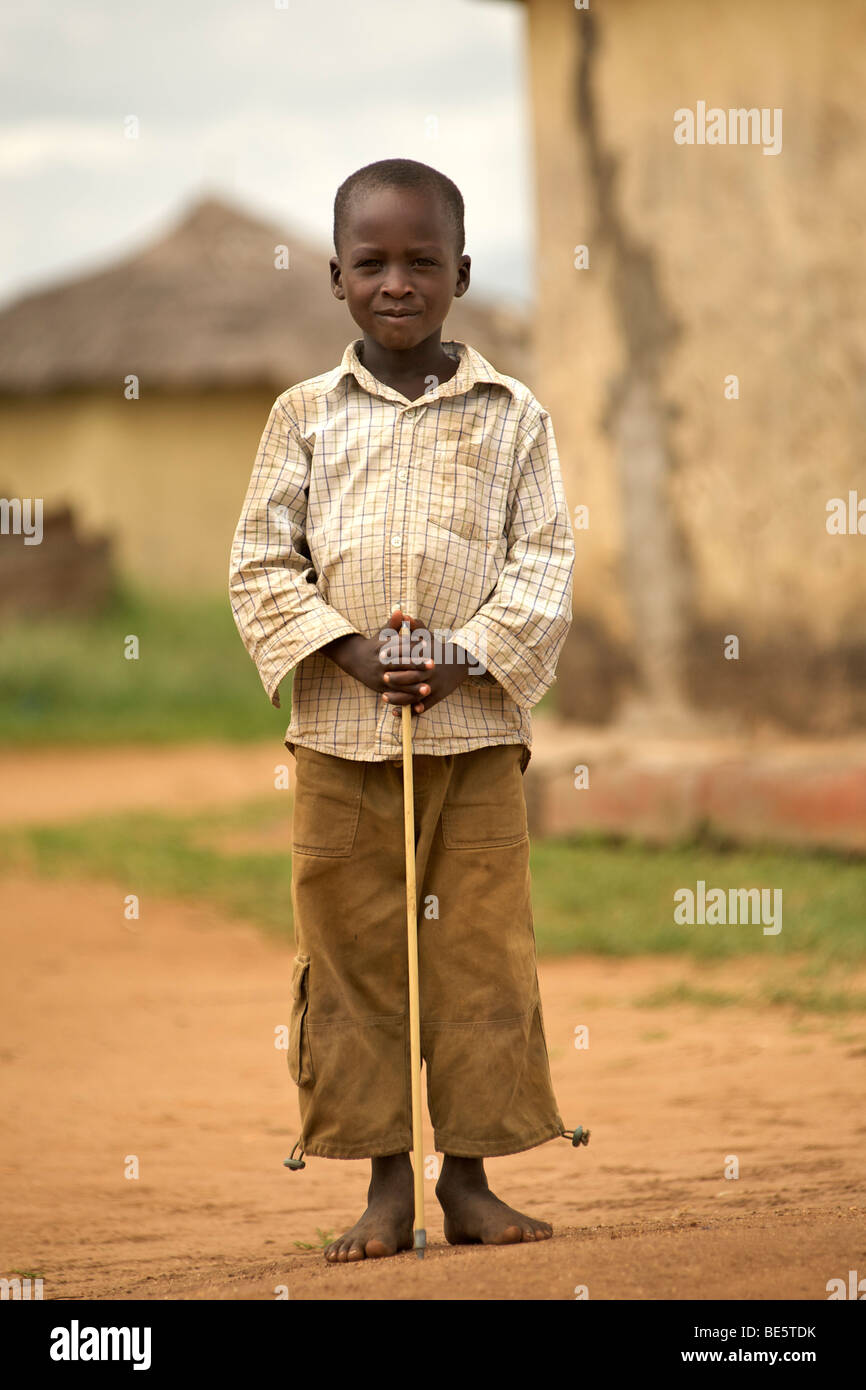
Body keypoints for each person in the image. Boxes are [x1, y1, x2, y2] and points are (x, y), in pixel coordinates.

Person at [229, 157, 576, 1262]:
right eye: (370, 262)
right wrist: (352, 648)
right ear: (335, 277)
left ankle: (466, 1181)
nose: (395, 282)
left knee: (477, 956)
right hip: (338, 740)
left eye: (420, 260)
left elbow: (544, 566)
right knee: (354, 958)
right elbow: (257, 564)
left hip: (473, 742)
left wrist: (467, 658)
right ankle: (386, 1188)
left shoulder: (514, 417)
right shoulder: (301, 417)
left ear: (460, 272)